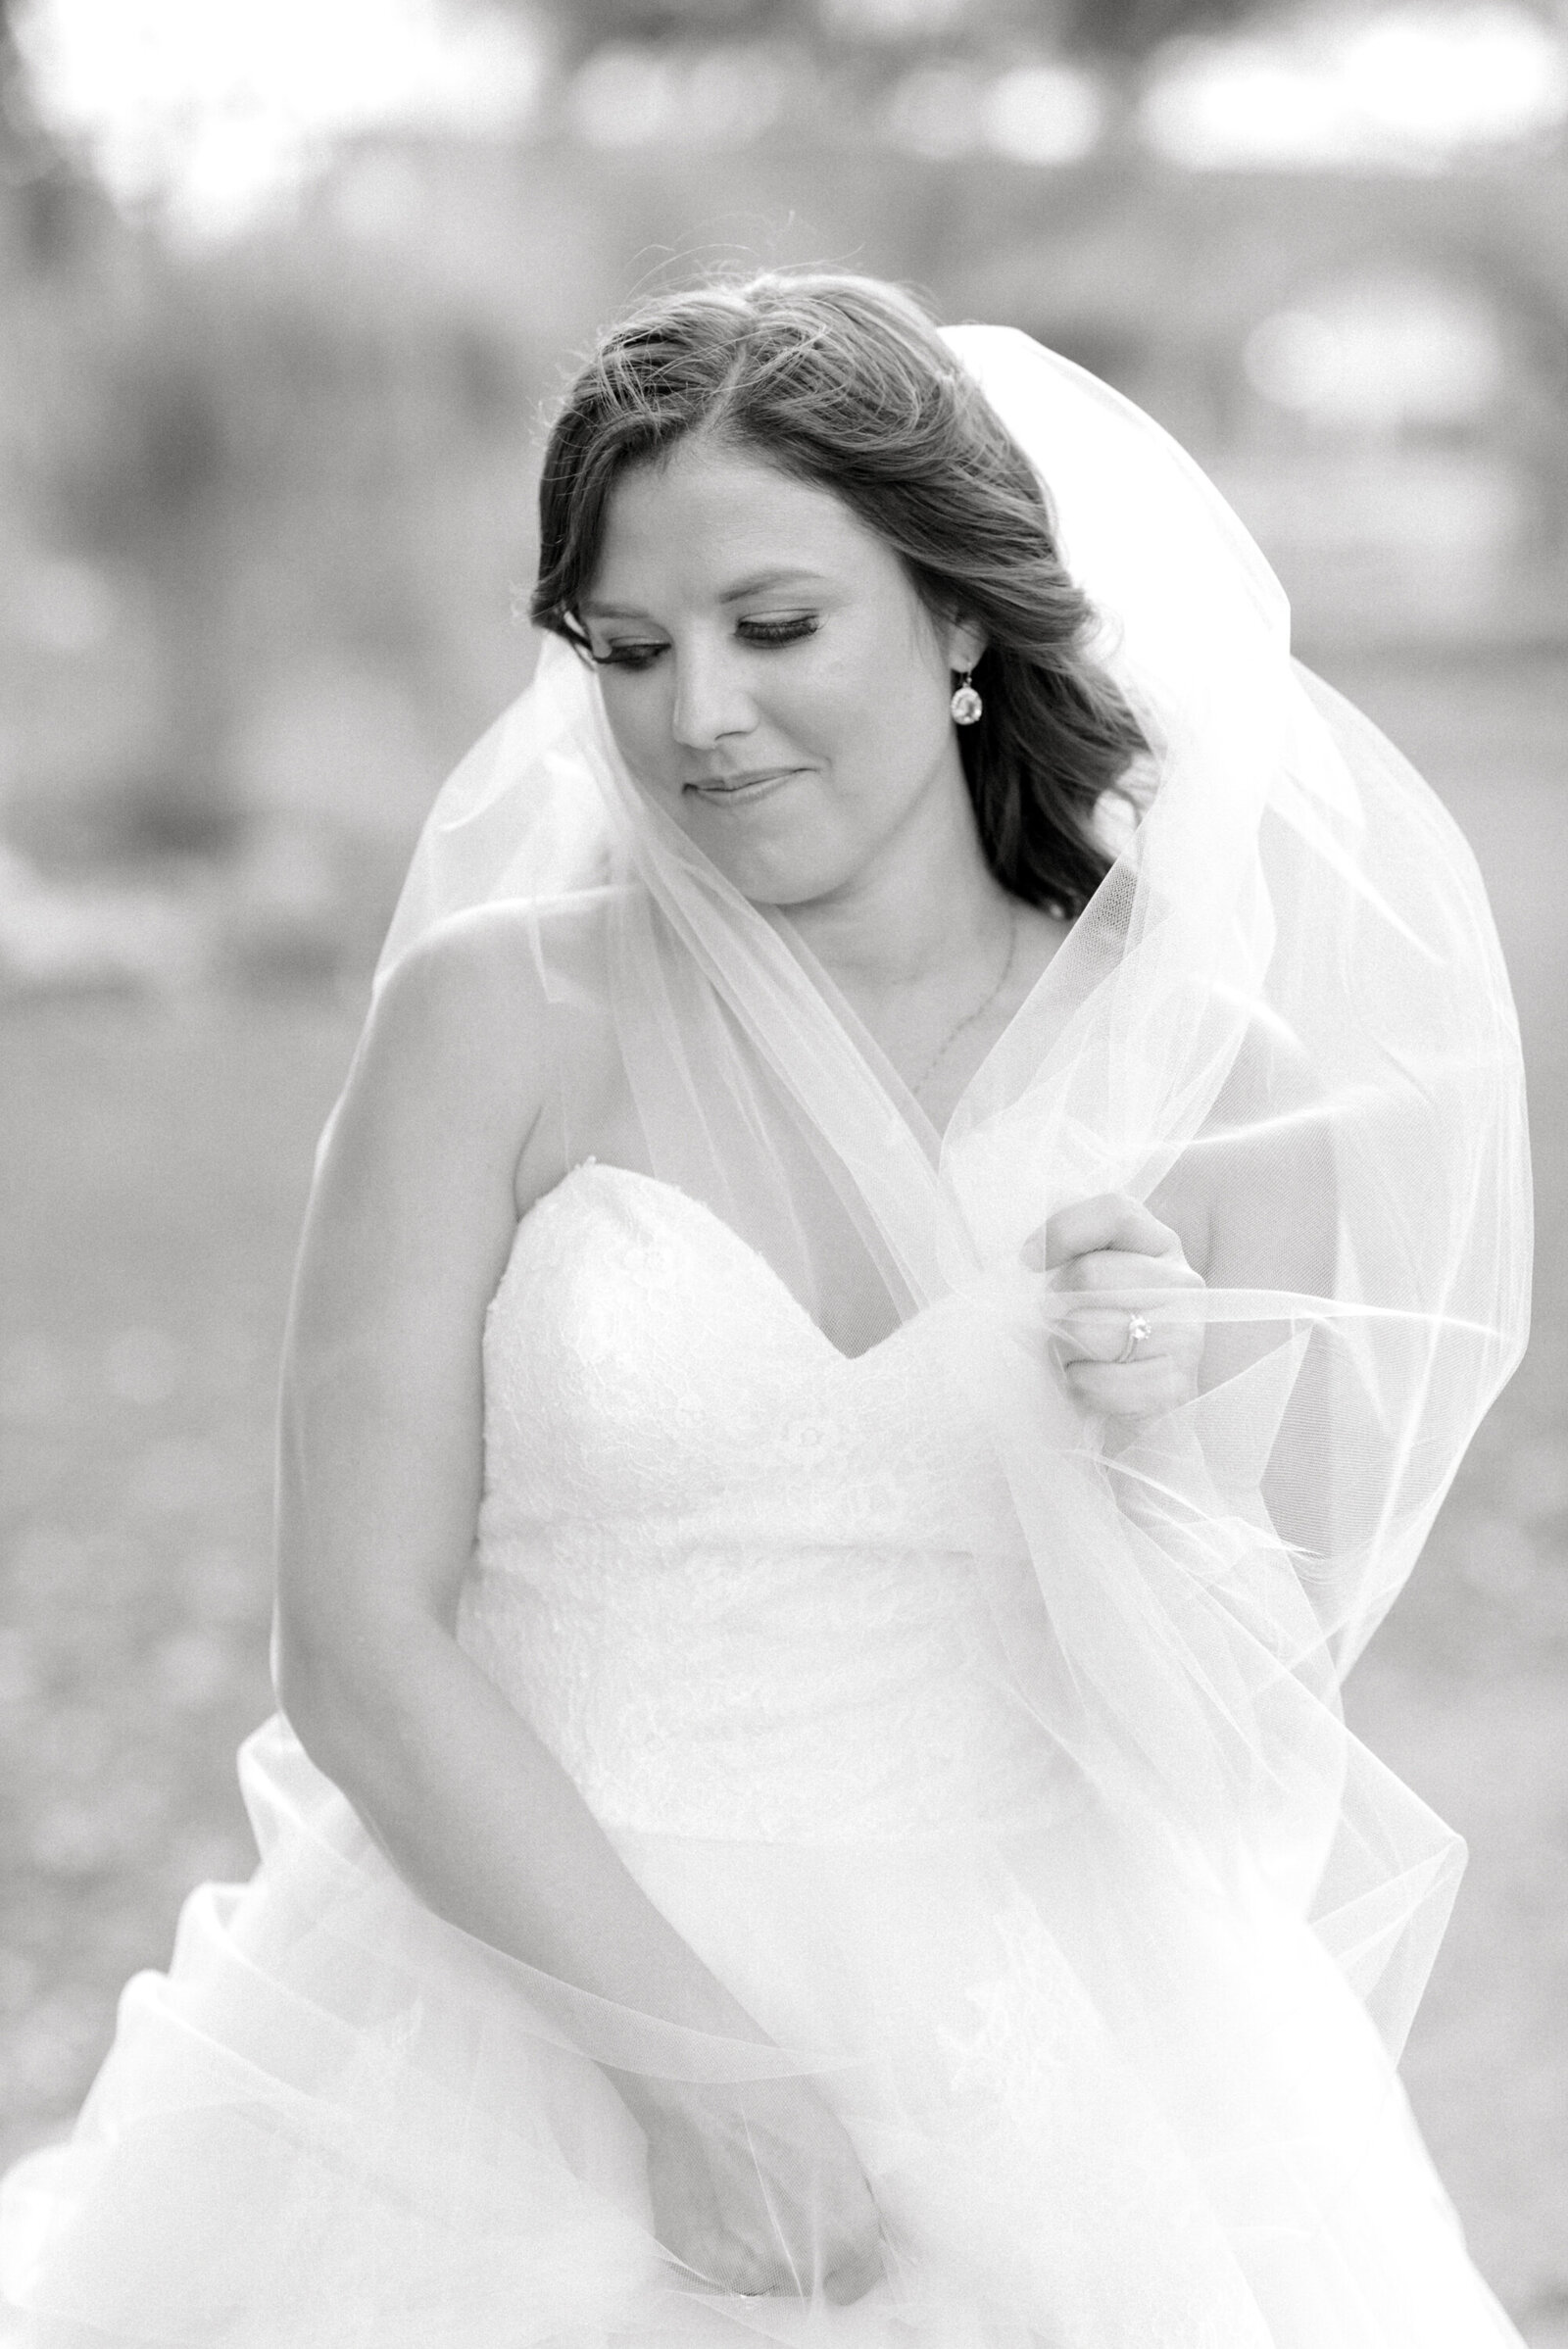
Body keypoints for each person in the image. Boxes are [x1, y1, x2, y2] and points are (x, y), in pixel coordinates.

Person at [0, 272, 1532, 2344]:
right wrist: (695, 2082)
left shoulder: (1206, 1071)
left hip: (1048, 2053)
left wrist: (1150, 1437)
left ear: (962, 613)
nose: (694, 715)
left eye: (773, 624)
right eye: (626, 650)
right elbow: (359, 1641)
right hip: (506, 2015)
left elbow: (1237, 1745)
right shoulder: (496, 1018)